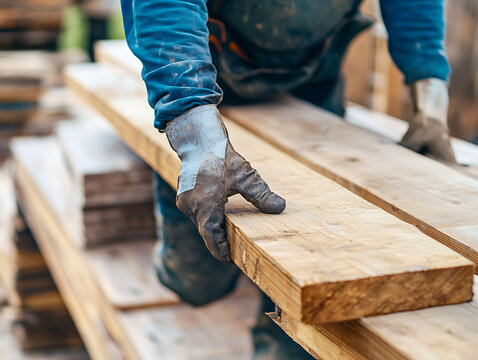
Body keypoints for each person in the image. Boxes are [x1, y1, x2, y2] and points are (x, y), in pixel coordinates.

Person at [120, 1, 456, 358]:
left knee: (311, 281)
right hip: (206, 83)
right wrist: (194, 132)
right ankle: (184, 269)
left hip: (311, 82)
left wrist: (430, 97)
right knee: (196, 281)